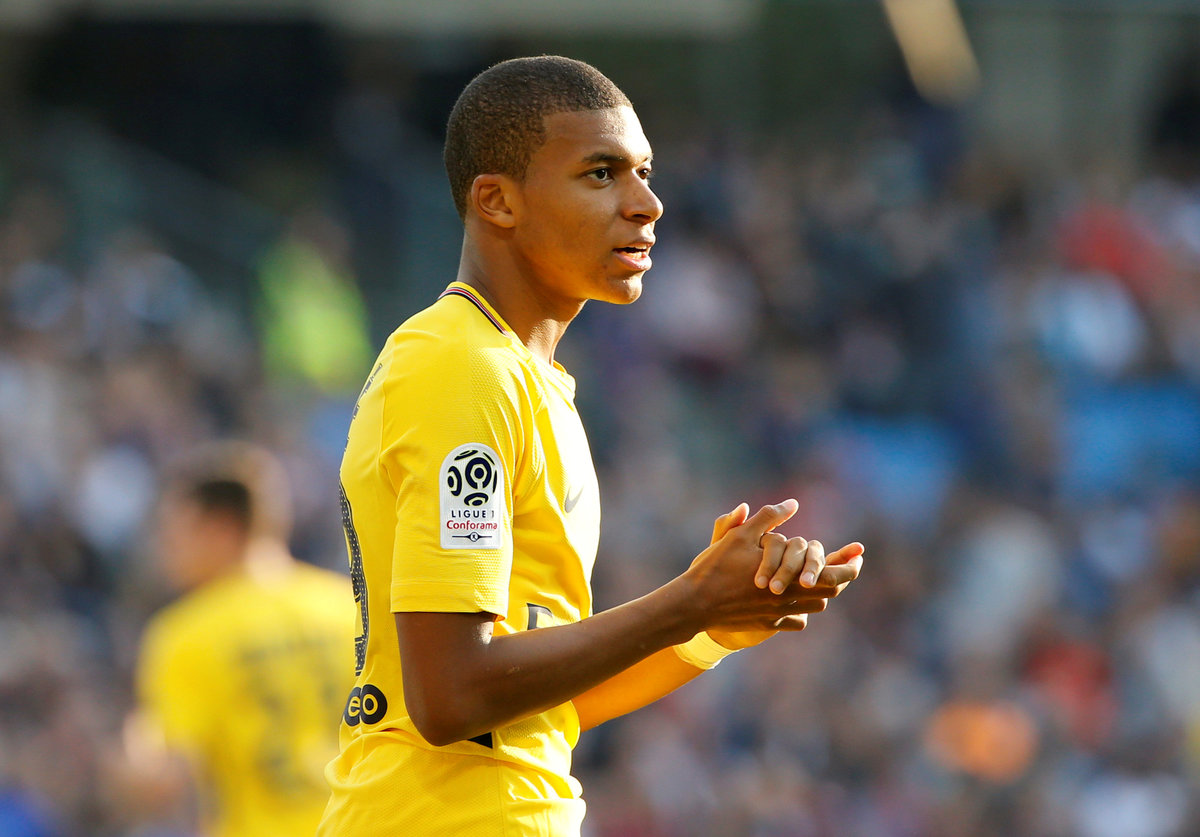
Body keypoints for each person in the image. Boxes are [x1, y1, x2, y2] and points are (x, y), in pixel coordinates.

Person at [318, 56, 865, 836]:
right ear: (498, 201)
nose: (647, 203)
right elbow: (450, 696)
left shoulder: (530, 381)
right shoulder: (460, 366)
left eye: (645, 173)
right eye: (601, 174)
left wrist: (712, 626)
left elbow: (541, 706)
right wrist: (689, 600)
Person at [126, 441, 353, 837]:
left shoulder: (186, 634)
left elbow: (161, 781)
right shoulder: (347, 605)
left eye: (173, 531)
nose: (164, 549)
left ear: (219, 529)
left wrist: (136, 743)